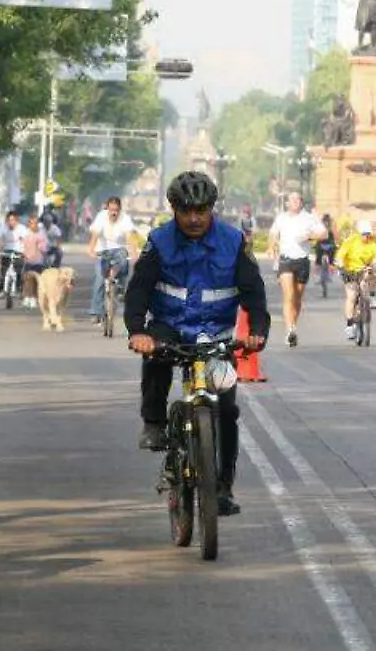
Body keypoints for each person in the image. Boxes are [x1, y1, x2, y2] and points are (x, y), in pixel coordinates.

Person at [125, 171, 269, 516]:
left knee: (227, 410)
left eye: (201, 211)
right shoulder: (159, 241)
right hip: (170, 326)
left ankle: (221, 488)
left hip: (215, 333)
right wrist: (137, 331)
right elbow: (139, 290)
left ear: (211, 209)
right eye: (186, 211)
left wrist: (257, 332)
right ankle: (155, 423)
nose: (193, 219)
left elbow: (254, 294)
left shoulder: (233, 242)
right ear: (173, 209)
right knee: (156, 356)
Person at [268, 192, 328, 347]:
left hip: (302, 261)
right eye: (292, 199)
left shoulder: (308, 218)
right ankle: (290, 330)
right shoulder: (281, 218)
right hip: (286, 260)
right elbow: (273, 234)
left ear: (301, 202)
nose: (295, 201)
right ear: (287, 203)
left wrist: (310, 236)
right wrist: (271, 246)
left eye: (298, 199)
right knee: (288, 296)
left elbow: (324, 233)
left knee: (297, 298)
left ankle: (293, 324)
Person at [87, 196, 140, 324]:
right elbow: (94, 235)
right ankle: (96, 312)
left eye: (116, 210)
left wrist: (133, 253)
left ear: (120, 209)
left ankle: (121, 288)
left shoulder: (125, 219)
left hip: (119, 250)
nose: (113, 213)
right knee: (99, 279)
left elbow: (129, 237)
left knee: (124, 263)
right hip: (102, 250)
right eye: (111, 209)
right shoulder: (101, 217)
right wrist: (91, 250)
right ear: (107, 209)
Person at [335, 219, 376, 338]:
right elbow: (340, 256)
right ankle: (350, 325)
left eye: (368, 234)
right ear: (359, 233)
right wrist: (341, 266)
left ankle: (370, 297)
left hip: (364, 270)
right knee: (351, 296)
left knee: (372, 274)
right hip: (350, 270)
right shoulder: (350, 242)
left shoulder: (373, 244)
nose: (366, 236)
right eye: (364, 234)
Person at [0, 211, 30, 295]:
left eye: (13, 220)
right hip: (6, 251)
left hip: (19, 252)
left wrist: (26, 252)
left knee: (19, 272)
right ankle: (2, 286)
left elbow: (25, 241)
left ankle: (20, 287)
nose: (11, 222)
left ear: (17, 221)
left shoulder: (22, 229)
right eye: (9, 220)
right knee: (3, 271)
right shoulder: (2, 228)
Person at [21, 215, 49, 309]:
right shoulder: (25, 234)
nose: (34, 225)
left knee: (36, 281)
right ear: (29, 224)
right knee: (27, 279)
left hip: (38, 261)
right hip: (28, 260)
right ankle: (27, 297)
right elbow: (21, 245)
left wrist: (41, 245)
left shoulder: (41, 234)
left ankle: (34, 298)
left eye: (36, 223)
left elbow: (44, 248)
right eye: (32, 223)